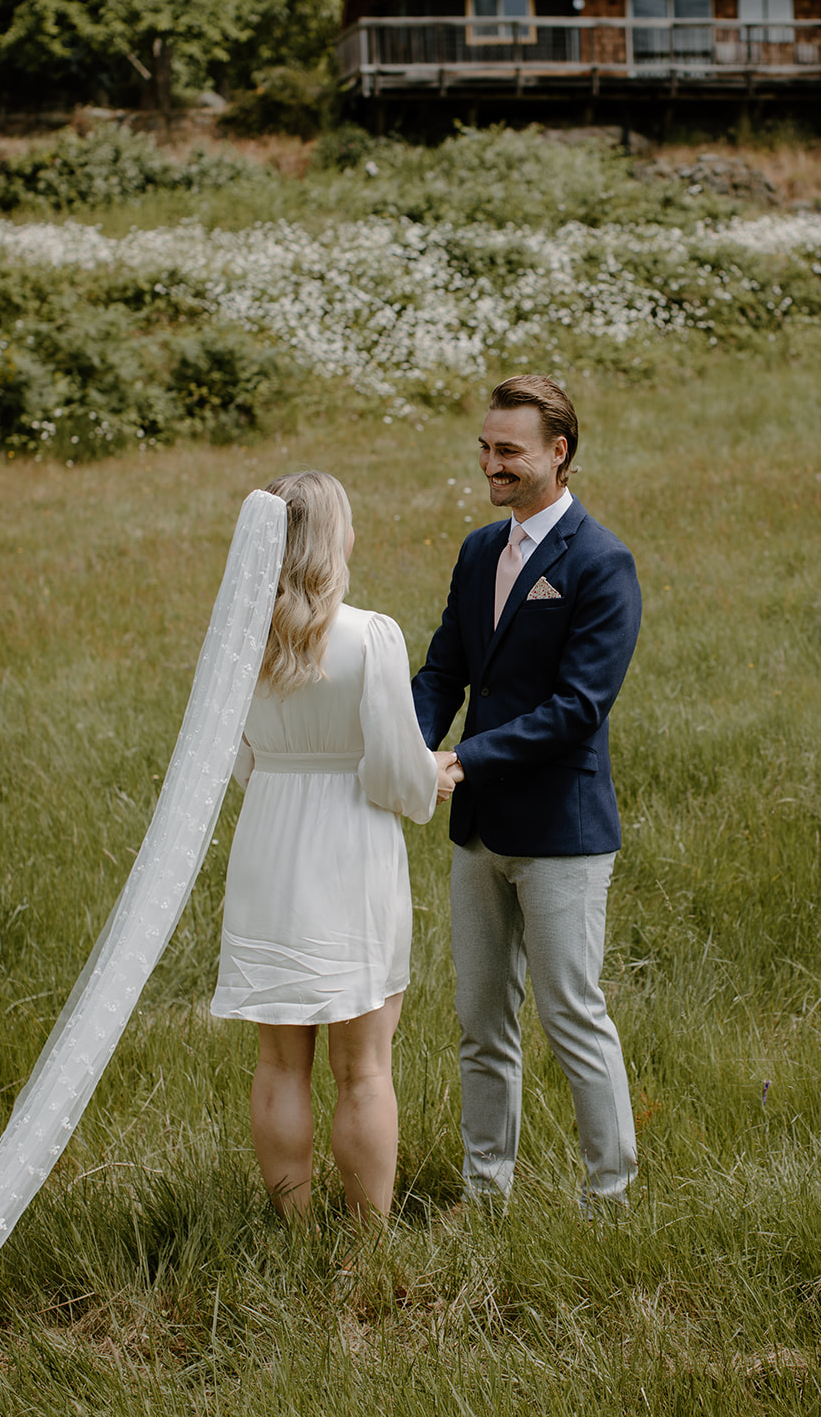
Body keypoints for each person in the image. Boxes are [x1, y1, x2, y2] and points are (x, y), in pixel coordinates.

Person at [412, 375, 642, 1208]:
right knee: (480, 1022)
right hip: (477, 832)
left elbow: (578, 708)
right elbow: (444, 669)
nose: (490, 464)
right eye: (484, 447)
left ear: (558, 451)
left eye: (507, 450)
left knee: (571, 1016)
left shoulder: (600, 562)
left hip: (559, 834)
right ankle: (486, 1194)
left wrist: (462, 760)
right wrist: (408, 748)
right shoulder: (479, 551)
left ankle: (609, 1199)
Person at [211, 471, 455, 1225]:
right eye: (347, 522)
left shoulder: (237, 638)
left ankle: (291, 1230)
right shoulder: (369, 634)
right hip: (351, 851)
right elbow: (392, 770)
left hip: (267, 849)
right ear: (329, 539)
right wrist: (434, 774)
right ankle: (367, 1244)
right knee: (364, 1068)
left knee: (279, 1062)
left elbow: (237, 760)